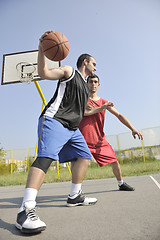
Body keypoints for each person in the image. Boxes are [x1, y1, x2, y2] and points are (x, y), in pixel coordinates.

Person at [15, 30, 98, 234]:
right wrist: (42, 49)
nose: (96, 67)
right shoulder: (69, 72)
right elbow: (44, 74)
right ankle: (25, 210)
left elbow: (83, 110)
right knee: (45, 158)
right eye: (94, 63)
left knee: (84, 157)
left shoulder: (86, 89)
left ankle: (74, 196)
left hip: (72, 128)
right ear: (85, 62)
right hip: (55, 121)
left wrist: (100, 109)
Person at [79, 74, 143, 191]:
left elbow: (119, 115)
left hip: (99, 140)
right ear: (86, 84)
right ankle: (76, 190)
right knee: (80, 165)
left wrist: (133, 128)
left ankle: (121, 183)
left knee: (114, 160)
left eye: (95, 82)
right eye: (90, 82)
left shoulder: (104, 102)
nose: (93, 84)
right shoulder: (81, 100)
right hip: (83, 140)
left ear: (98, 85)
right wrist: (98, 107)